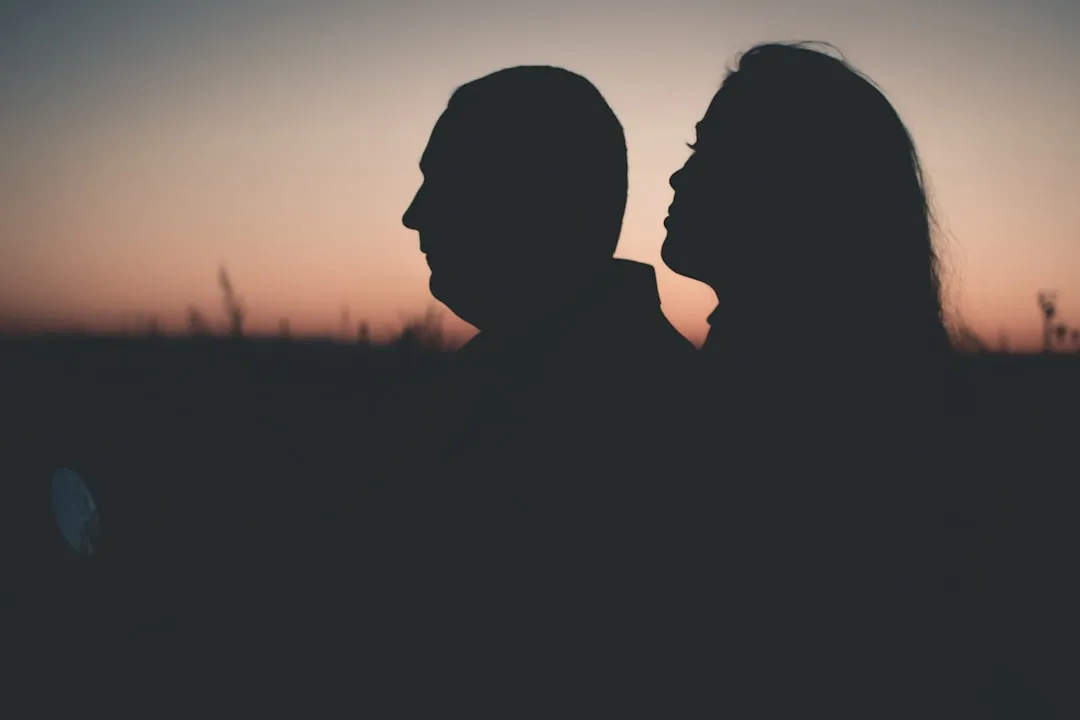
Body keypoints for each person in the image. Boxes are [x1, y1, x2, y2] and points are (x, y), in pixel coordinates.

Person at [661, 42, 991, 716]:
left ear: (793, 190)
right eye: (693, 148)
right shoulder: (864, 388)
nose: (677, 175)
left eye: (711, 152)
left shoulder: (786, 413)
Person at [377, 65, 696, 702]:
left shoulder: (624, 416)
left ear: (535, 202)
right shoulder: (506, 373)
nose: (414, 216)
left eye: (448, 184)